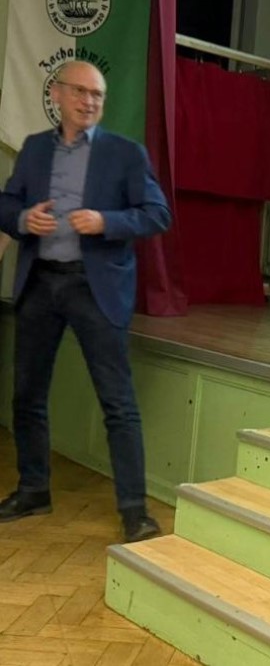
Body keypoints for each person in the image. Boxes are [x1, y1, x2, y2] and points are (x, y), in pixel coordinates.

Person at [0, 60, 171, 543]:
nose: (89, 101)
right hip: (39, 284)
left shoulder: (126, 153)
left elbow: (157, 214)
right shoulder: (35, 148)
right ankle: (33, 490)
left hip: (94, 288)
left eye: (97, 95)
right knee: (27, 396)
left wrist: (106, 222)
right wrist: (23, 219)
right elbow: (6, 203)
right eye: (80, 91)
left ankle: (135, 511)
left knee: (118, 403)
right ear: (57, 94)